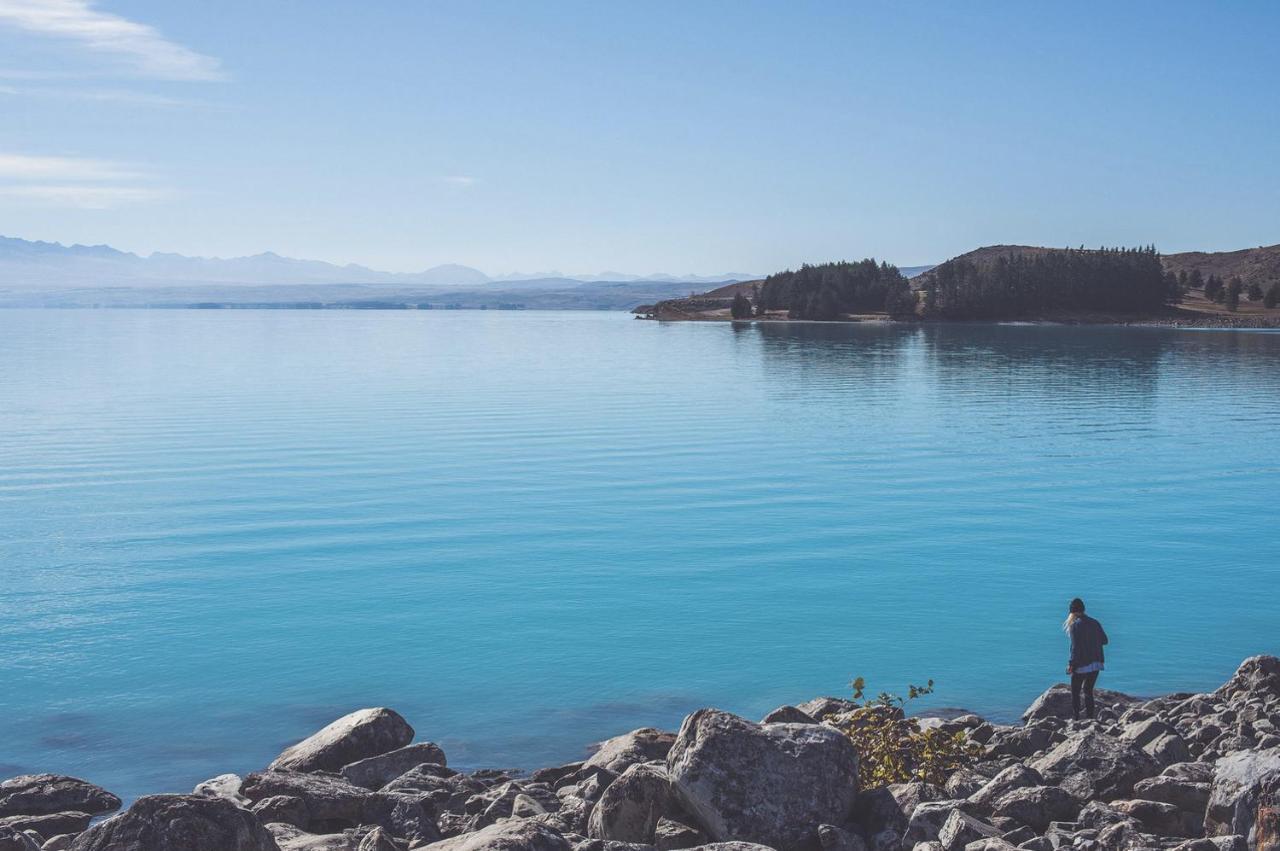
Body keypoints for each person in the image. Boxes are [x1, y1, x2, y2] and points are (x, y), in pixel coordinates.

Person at [1064, 598, 1108, 720]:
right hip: (1097, 663)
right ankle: (1090, 719)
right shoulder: (1095, 622)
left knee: (1075, 692)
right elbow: (1105, 641)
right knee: (1088, 691)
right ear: (1083, 609)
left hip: (1082, 664)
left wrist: (1071, 664)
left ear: (1072, 612)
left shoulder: (1074, 626)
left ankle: (1076, 718)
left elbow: (1075, 648)